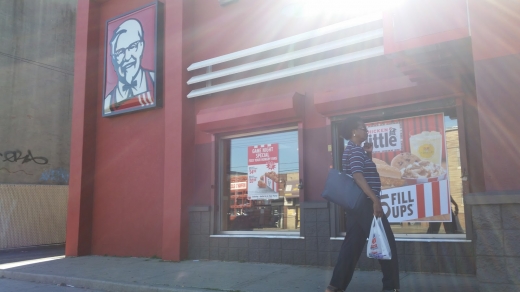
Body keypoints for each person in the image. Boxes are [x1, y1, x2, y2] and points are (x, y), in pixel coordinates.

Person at [326, 116, 400, 292]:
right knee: (386, 243)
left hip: (357, 205)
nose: (366, 131)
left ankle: (335, 286)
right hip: (365, 203)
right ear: (354, 131)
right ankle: (391, 287)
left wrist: (368, 154)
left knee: (351, 247)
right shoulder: (354, 151)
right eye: (363, 128)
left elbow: (359, 172)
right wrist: (375, 200)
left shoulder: (355, 150)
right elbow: (358, 176)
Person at [104, 19, 155, 115]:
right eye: (120, 52)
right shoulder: (108, 103)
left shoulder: (155, 80)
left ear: (141, 47)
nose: (127, 57)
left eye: (132, 47)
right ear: (113, 59)